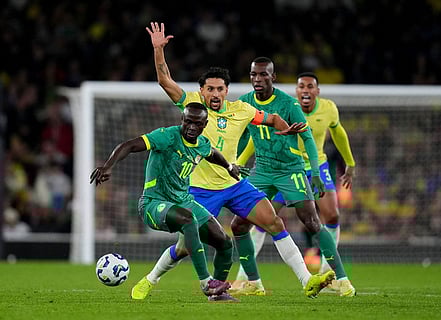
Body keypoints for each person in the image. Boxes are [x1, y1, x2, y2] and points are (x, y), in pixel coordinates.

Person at [130, 21, 335, 300]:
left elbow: (271, 118)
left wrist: (283, 126)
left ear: (227, 90)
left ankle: (306, 280)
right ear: (202, 91)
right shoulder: (192, 106)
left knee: (274, 222)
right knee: (184, 247)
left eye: (220, 89)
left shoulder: (241, 110)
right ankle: (150, 279)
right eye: (210, 89)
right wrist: (158, 50)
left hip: (234, 183)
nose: (215, 94)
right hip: (200, 190)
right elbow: (164, 80)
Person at [90, 102, 239, 301]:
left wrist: (229, 167)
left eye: (197, 123)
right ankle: (206, 282)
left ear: (204, 124)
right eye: (188, 122)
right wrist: (108, 166)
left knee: (224, 242)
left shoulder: (201, 143)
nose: (191, 127)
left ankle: (217, 294)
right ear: (182, 120)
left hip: (184, 201)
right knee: (188, 219)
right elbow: (130, 145)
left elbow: (212, 154)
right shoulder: (167, 136)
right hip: (153, 203)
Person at [234, 58, 356, 297]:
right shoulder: (244, 103)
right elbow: (246, 136)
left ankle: (341, 279)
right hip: (262, 171)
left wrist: (317, 172)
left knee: (311, 221)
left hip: (291, 170)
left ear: (273, 77)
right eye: (253, 75)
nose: (258, 79)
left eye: (263, 75)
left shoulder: (289, 104)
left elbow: (308, 139)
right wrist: (236, 162)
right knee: (239, 224)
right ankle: (252, 282)